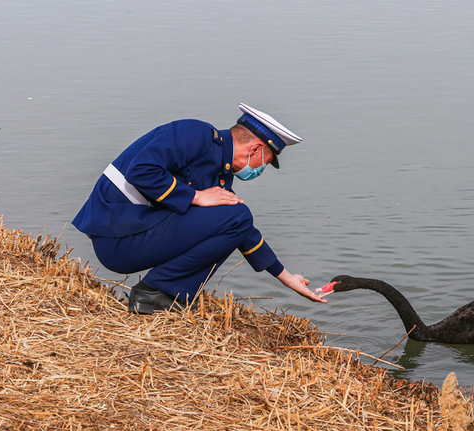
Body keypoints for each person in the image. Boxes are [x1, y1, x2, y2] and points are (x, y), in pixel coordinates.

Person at [72, 103, 327, 313]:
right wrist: (195, 196)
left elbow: (243, 229)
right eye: (265, 162)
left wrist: (286, 277)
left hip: (133, 238)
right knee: (236, 215)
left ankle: (165, 296)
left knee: (236, 216)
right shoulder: (195, 134)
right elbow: (141, 171)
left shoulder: (219, 169)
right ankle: (157, 292)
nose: (260, 170)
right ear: (255, 149)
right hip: (117, 239)